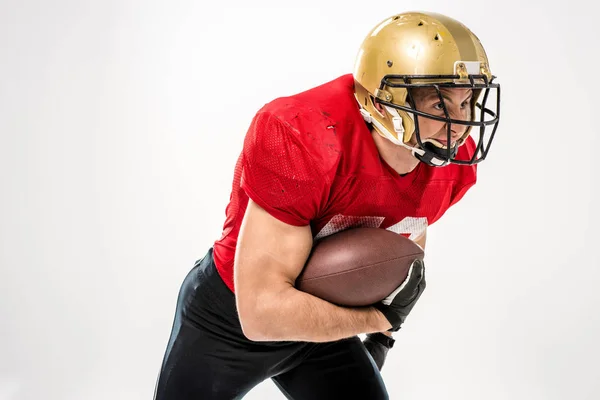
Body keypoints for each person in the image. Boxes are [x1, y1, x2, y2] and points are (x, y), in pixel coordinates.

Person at [153, 11, 501, 400]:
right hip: (227, 317)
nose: (459, 125)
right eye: (438, 106)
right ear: (384, 103)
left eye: (466, 101)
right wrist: (377, 318)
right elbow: (260, 313)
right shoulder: (302, 136)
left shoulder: (449, 163)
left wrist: (380, 340)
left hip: (321, 322)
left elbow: (406, 233)